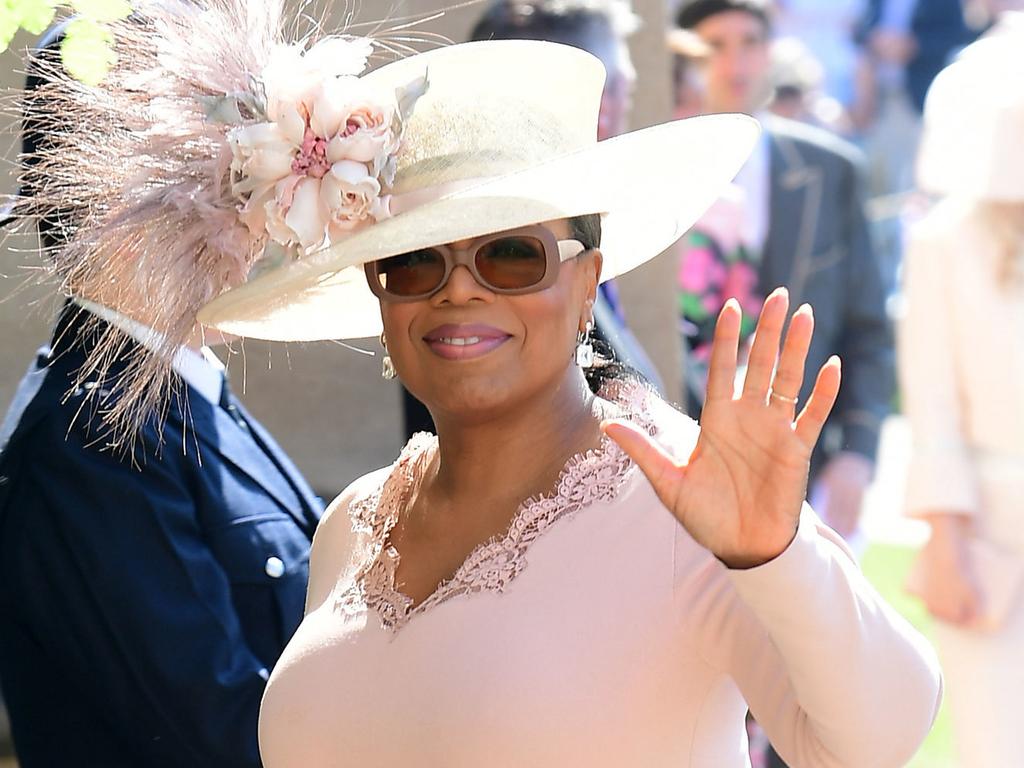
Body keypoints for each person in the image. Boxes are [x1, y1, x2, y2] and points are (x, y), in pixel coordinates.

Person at [183, 18, 941, 765]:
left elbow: (875, 740)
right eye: (415, 262)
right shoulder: (352, 522)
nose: (458, 291)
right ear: (382, 295)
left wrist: (776, 555)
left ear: (586, 286)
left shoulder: (684, 501)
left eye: (512, 255)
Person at [0, 18, 321, 767]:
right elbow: (228, 737)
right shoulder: (90, 441)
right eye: (231, 181)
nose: (259, 217)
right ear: (118, 214)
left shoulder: (180, 386)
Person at [675, 0, 894, 550]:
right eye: (714, 45)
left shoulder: (831, 169)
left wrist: (857, 455)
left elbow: (867, 322)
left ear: (772, 51)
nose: (735, 63)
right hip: (675, 461)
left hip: (802, 464)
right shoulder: (658, 172)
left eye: (750, 42)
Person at [900, 15, 1024, 765]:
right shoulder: (944, 240)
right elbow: (932, 405)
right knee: (998, 742)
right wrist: (945, 541)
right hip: (987, 539)